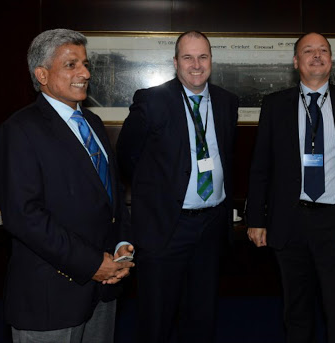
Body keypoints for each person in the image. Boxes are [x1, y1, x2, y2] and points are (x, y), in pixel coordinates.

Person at [0, 29, 135, 343]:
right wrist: (93, 264)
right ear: (42, 74)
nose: (85, 73)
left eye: (85, 64)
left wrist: (121, 244)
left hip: (104, 288)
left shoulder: (93, 123)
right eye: (71, 65)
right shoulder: (19, 131)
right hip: (50, 297)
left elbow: (110, 195)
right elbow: (25, 217)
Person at [116, 31, 238, 343]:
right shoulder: (152, 101)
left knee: (202, 316)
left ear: (211, 60)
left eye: (203, 57)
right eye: (188, 57)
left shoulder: (226, 102)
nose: (196, 65)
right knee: (157, 319)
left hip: (211, 226)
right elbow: (127, 158)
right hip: (166, 228)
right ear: (175, 62)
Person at [246, 32, 335, 343]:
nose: (316, 55)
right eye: (308, 51)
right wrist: (256, 219)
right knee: (296, 311)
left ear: (332, 60)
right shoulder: (275, 105)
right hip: (290, 221)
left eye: (323, 50)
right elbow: (260, 165)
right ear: (295, 61)